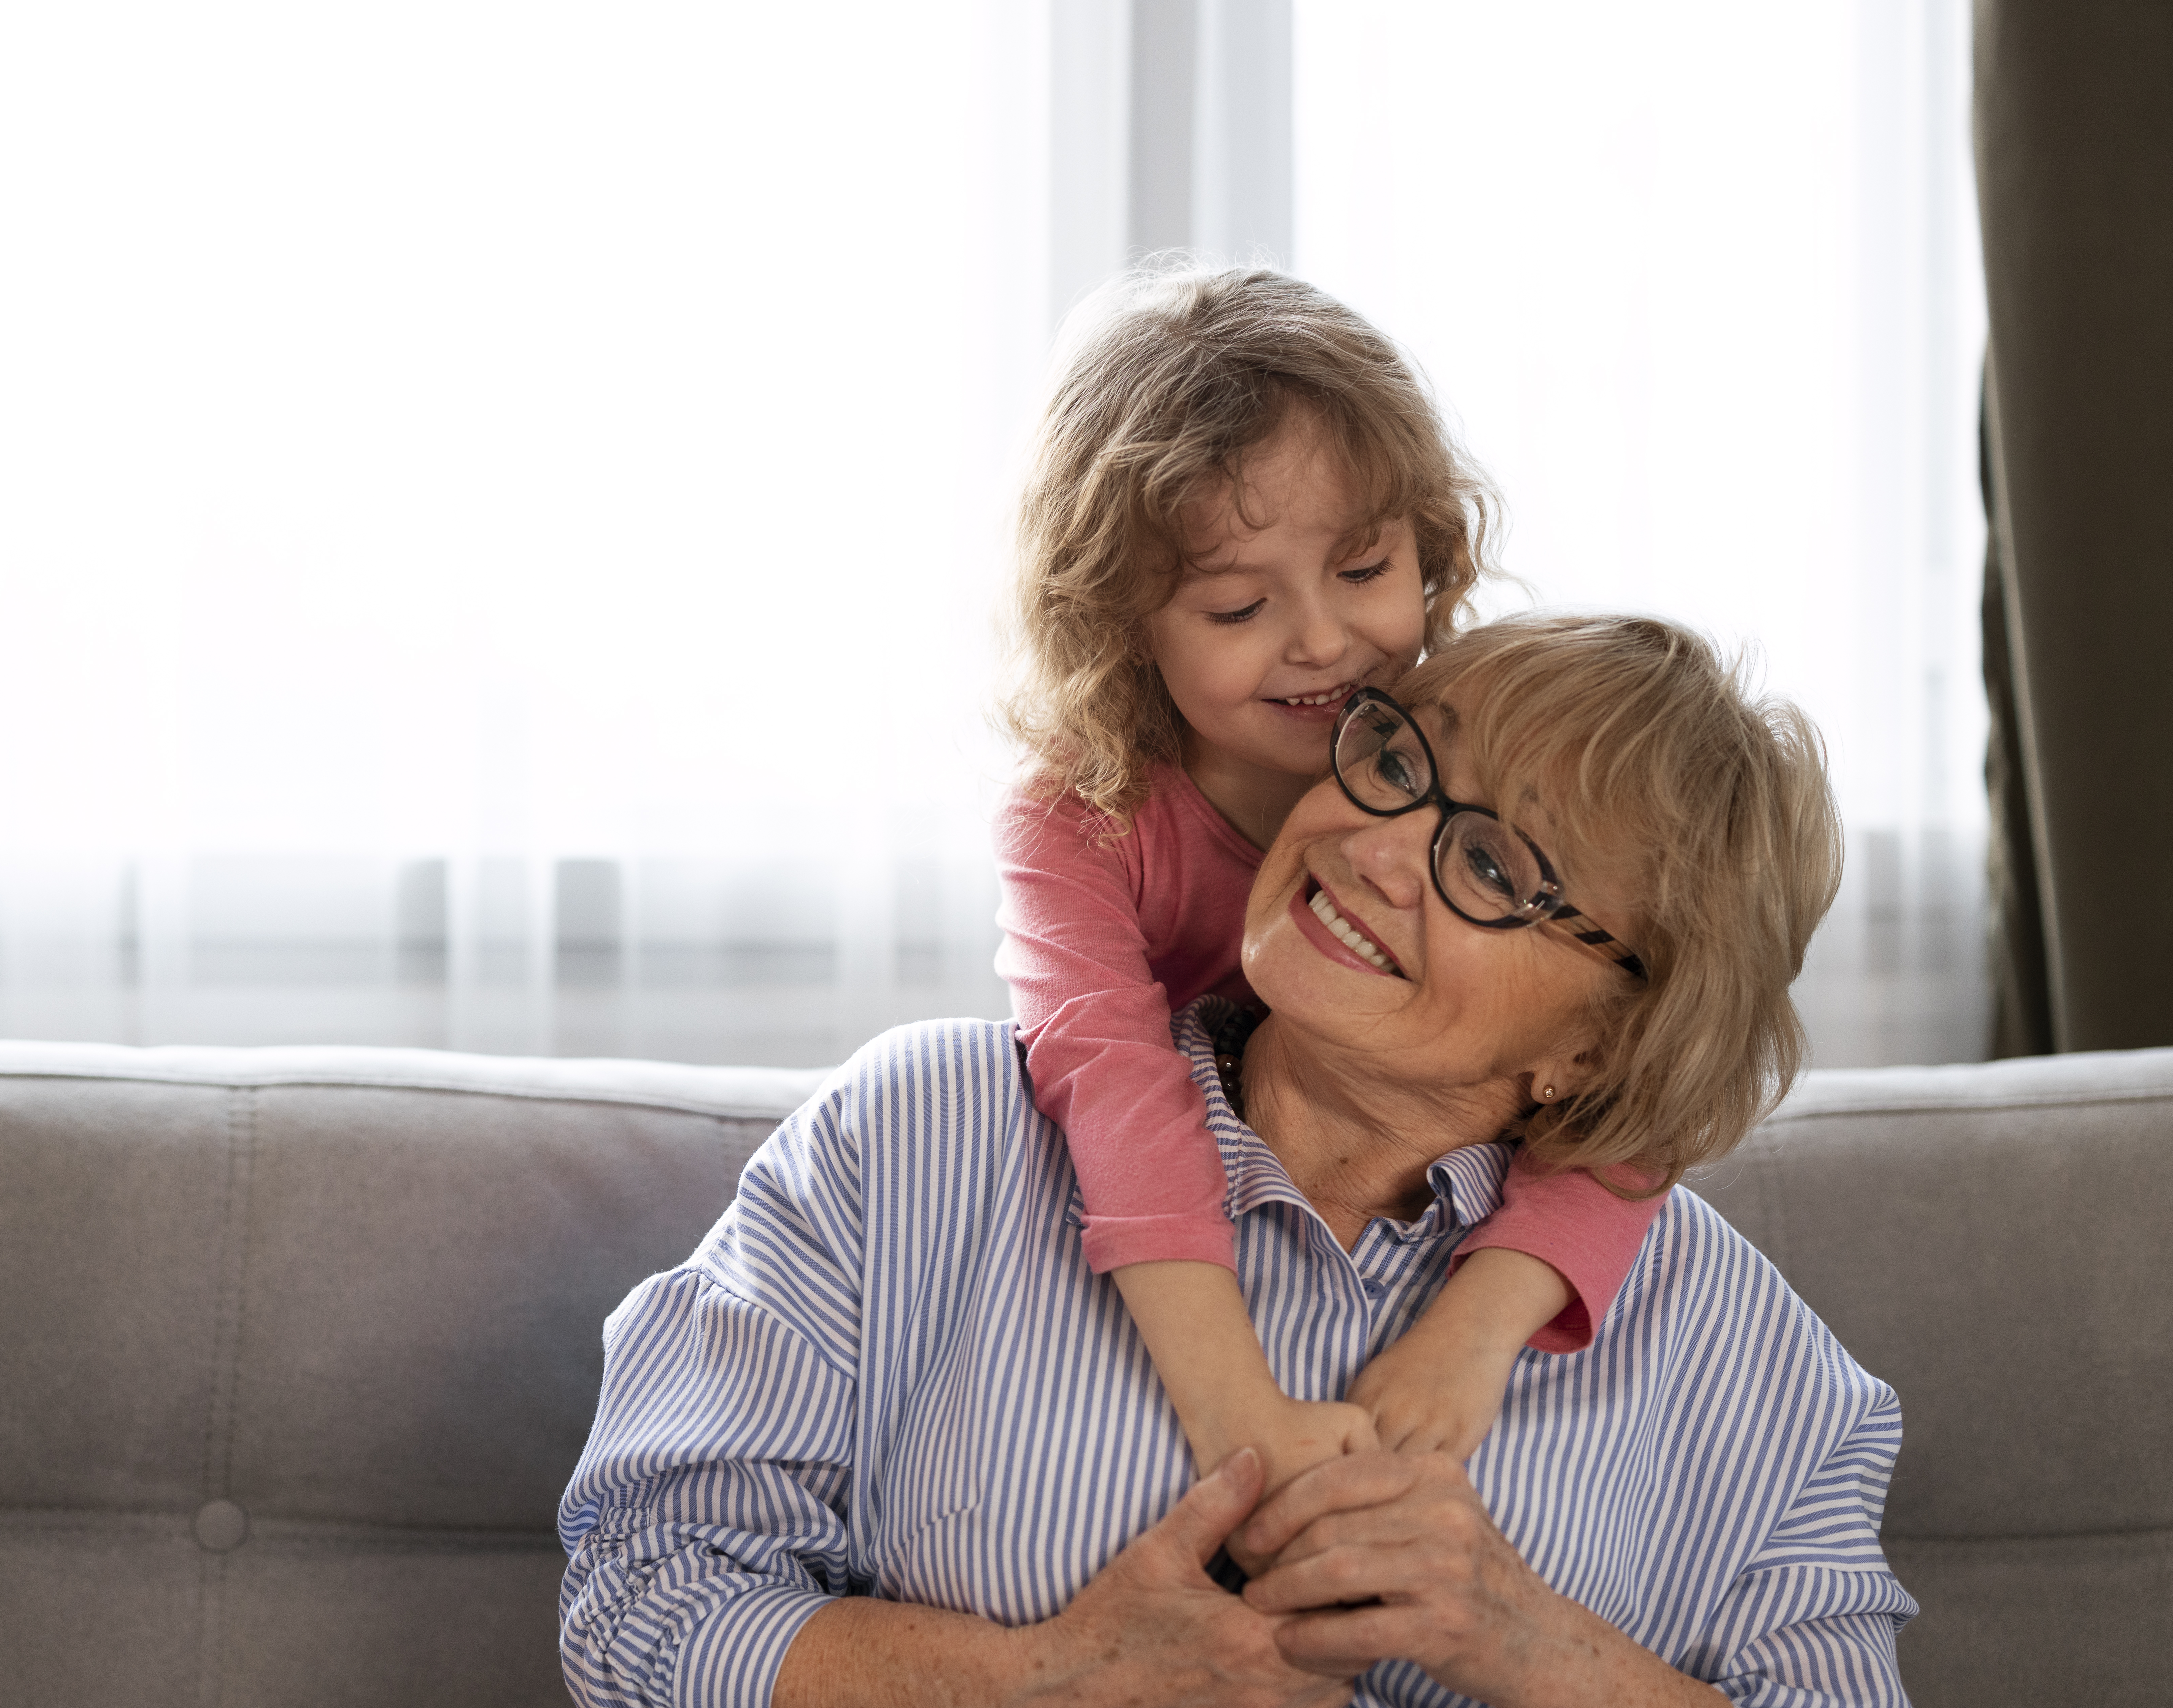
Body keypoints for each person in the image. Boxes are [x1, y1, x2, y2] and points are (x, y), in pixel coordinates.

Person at [560, 615, 1916, 1706]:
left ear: (1606, 1040)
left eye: (1495, 869)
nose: (1374, 847)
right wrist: (1038, 1684)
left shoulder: (1761, 1376)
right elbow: (636, 1597)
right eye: (1396, 762)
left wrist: (1522, 1644)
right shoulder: (920, 1140)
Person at [994, 264, 1660, 1485]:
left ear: (1429, 546)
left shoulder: (1453, 741)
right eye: (1240, 605)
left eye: (1363, 571)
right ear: (1119, 624)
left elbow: (1643, 1061)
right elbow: (1113, 1086)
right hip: (1205, 1219)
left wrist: (1474, 1333)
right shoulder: (1081, 818)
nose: (1322, 641)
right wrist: (1236, 1407)